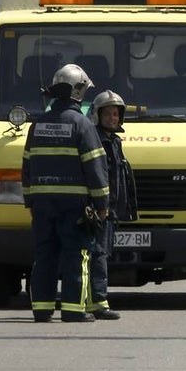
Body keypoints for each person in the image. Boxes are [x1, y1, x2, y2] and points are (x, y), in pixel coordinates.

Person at [22, 64, 110, 323]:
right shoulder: (83, 125)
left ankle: (42, 309)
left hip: (42, 206)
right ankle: (73, 310)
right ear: (78, 91)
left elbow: (27, 167)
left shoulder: (37, 125)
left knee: (44, 256)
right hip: (74, 207)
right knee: (77, 256)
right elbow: (96, 168)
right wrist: (102, 205)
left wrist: (30, 201)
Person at [85, 90, 140, 319]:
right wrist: (100, 206)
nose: (112, 118)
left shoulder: (114, 141)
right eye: (107, 114)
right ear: (97, 115)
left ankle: (95, 300)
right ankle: (97, 303)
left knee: (101, 254)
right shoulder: (95, 140)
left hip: (110, 210)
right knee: (97, 255)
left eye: (116, 114)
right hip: (99, 210)